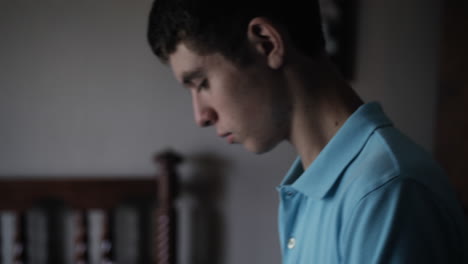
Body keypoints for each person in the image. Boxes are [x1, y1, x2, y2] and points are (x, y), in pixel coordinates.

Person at [146, 0, 468, 263]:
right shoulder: (311, 189)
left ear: (267, 43)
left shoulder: (386, 194)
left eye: (202, 83)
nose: (200, 116)